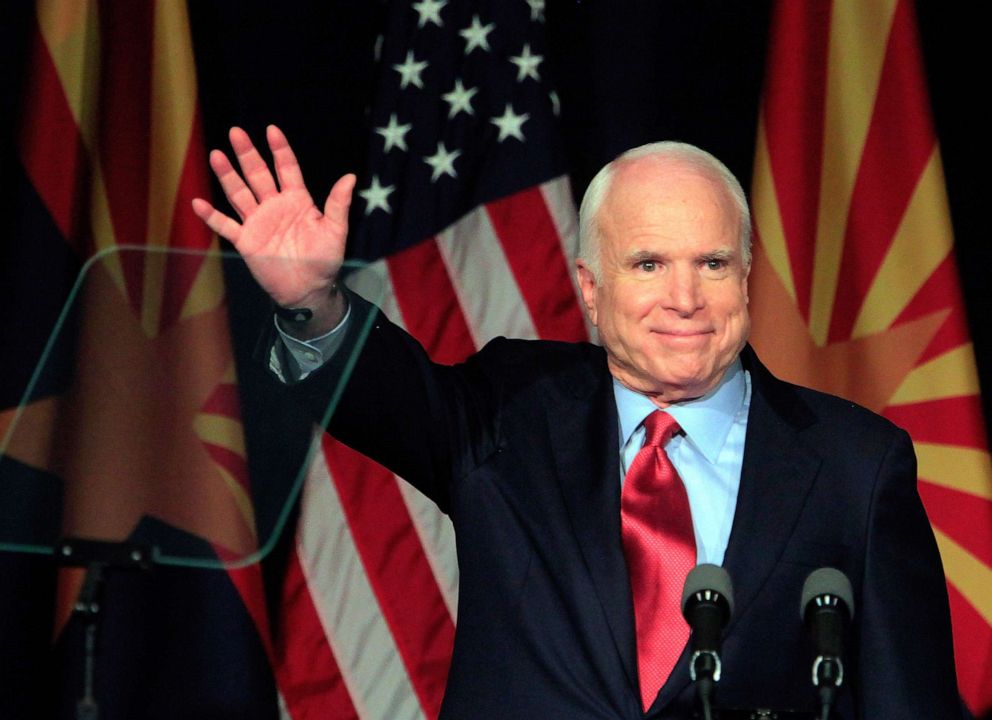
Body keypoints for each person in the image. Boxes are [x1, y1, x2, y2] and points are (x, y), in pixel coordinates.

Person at [193, 126, 961, 718]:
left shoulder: (856, 465)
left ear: (748, 277)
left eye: (714, 263)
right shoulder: (509, 413)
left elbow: (908, 700)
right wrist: (311, 303)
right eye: (649, 265)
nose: (685, 297)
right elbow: (381, 394)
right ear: (591, 292)